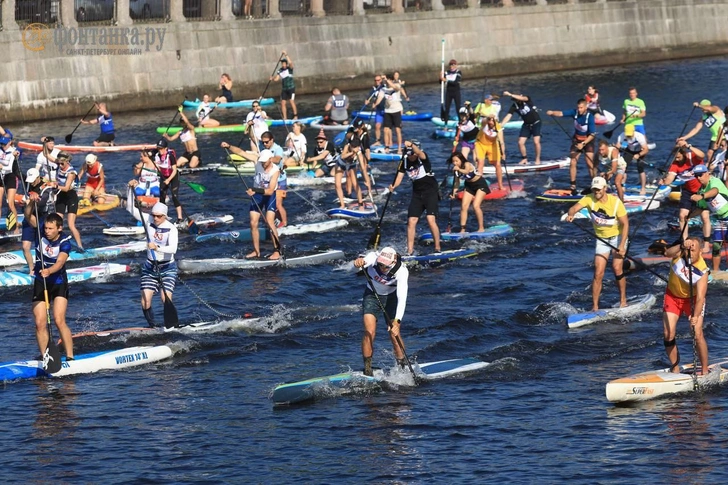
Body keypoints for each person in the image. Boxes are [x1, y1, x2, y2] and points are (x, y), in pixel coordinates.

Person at [565, 176, 629, 311]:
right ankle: (595, 306)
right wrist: (571, 214)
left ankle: (623, 300)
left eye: (599, 189)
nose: (596, 192)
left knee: (617, 268)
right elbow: (573, 208)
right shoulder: (588, 198)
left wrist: (622, 245)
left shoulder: (615, 202)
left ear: (605, 188)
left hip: (618, 237)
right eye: (594, 189)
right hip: (602, 239)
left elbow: (626, 224)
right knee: (598, 272)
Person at [25, 205, 74, 362]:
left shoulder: (65, 242)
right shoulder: (40, 231)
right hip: (41, 281)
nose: (47, 231)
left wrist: (50, 271)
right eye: (46, 228)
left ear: (59, 228)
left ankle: (70, 357)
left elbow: (60, 262)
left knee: (58, 320)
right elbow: (27, 215)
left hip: (58, 282)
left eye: (51, 229)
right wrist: (31, 203)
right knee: (40, 323)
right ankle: (47, 357)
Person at [353, 247, 410, 376]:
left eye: (384, 265)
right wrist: (358, 263)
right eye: (379, 264)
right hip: (372, 296)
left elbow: (402, 298)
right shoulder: (373, 258)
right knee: (369, 332)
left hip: (391, 299)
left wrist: (397, 322)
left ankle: (402, 366)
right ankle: (368, 369)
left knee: (394, 335)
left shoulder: (401, 271)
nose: (381, 266)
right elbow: (360, 263)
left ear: (393, 262)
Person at [662, 237, 709, 375]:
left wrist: (695, 316)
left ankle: (704, 370)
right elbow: (667, 253)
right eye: (688, 250)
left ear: (700, 251)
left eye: (693, 250)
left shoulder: (702, 271)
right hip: (672, 296)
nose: (690, 253)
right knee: (668, 334)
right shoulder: (680, 253)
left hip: (692, 301)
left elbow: (700, 297)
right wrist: (681, 246)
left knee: (697, 333)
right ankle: (675, 367)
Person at [389, 140, 442, 255]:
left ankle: (437, 248)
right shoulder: (404, 163)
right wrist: (393, 186)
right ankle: (410, 251)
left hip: (431, 191)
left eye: (412, 153)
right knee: (411, 221)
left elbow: (418, 152)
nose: (411, 156)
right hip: (417, 193)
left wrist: (412, 145)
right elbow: (398, 178)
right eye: (409, 154)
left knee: (430, 219)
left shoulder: (422, 157)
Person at [659, 141, 710, 248]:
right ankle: (685, 240)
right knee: (682, 215)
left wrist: (688, 146)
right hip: (688, 191)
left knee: (705, 217)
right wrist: (664, 181)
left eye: (678, 157)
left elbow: (702, 155)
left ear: (684, 154)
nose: (676, 160)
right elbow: (670, 179)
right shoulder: (675, 165)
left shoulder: (692, 156)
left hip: (702, 189)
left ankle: (706, 244)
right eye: (675, 157)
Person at [140, 202, 179, 328]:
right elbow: (131, 208)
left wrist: (157, 247)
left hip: (167, 268)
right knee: (146, 300)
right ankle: (152, 326)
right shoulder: (149, 221)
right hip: (150, 267)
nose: (155, 218)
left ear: (165, 216)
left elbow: (173, 249)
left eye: (159, 216)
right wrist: (130, 189)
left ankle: (172, 325)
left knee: (164, 298)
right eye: (154, 215)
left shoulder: (172, 228)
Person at [546, 99, 597, 195]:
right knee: (573, 161)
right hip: (577, 140)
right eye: (578, 107)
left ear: (586, 107)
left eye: (581, 108)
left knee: (590, 164)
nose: (579, 109)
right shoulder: (574, 112)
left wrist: (583, 144)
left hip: (588, 140)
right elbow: (561, 113)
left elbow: (592, 135)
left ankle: (595, 184)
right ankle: (573, 186)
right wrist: (552, 112)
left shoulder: (590, 117)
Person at [245, 149, 281, 260]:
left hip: (269, 196)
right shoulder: (258, 162)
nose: (263, 163)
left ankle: (277, 251)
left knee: (270, 221)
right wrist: (229, 146)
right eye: (262, 161)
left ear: (270, 160)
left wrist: (254, 190)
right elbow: (241, 152)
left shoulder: (275, 170)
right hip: (257, 195)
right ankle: (256, 251)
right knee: (253, 222)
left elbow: (270, 190)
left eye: (265, 161)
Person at [692, 164, 728, 272]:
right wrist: (688, 216)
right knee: (716, 246)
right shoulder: (701, 190)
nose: (698, 178)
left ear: (707, 173)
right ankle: (716, 271)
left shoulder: (714, 181)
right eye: (696, 176)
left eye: (701, 175)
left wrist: (701, 196)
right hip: (721, 219)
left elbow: (715, 191)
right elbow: (701, 208)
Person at [22, 168, 57, 271]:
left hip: (42, 216)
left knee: (40, 245)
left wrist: (30, 201)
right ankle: (31, 269)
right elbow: (16, 172)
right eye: (30, 180)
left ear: (38, 178)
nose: (31, 183)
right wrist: (15, 159)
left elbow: (41, 203)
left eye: (33, 180)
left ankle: (43, 266)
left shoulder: (46, 187)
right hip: (29, 216)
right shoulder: (28, 183)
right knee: (25, 246)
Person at [449, 151, 491, 235]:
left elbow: (467, 171)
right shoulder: (456, 170)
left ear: (461, 160)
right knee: (464, 207)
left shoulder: (467, 164)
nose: (455, 163)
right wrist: (453, 192)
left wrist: (459, 169)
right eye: (453, 161)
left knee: (476, 205)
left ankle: (481, 228)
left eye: (456, 161)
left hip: (480, 184)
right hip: (469, 186)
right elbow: (456, 183)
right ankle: (463, 229)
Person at [501, 91, 542, 165]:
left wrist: (510, 94)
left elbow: (523, 98)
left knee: (536, 142)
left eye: (516, 99)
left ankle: (537, 159)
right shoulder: (514, 106)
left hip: (536, 123)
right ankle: (524, 158)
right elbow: (508, 116)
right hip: (526, 124)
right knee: (520, 142)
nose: (516, 101)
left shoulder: (527, 99)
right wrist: (501, 125)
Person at [54, 152, 84, 250]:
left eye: (62, 164)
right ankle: (55, 244)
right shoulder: (59, 164)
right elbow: (47, 155)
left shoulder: (71, 173)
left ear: (67, 162)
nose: (60, 165)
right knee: (57, 222)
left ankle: (80, 246)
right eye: (59, 163)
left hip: (71, 197)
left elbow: (66, 188)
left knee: (71, 225)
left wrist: (54, 186)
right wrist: (45, 144)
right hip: (61, 196)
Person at [151, 139, 184, 223]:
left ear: (166, 148)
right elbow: (151, 157)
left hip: (173, 177)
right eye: (159, 149)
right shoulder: (157, 155)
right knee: (162, 196)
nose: (160, 150)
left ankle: (180, 218)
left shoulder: (170, 156)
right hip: (163, 177)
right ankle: (163, 217)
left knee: (175, 197)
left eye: (161, 148)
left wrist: (168, 180)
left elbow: (174, 170)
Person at [335, 132, 366, 209]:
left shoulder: (359, 152)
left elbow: (362, 166)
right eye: (352, 146)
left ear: (358, 147)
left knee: (355, 184)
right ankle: (342, 205)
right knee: (337, 185)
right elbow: (342, 156)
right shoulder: (347, 146)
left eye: (354, 147)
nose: (353, 148)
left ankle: (360, 203)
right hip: (341, 164)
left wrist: (365, 178)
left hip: (352, 165)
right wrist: (352, 152)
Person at [616, 124, 650, 195]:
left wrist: (639, 155)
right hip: (629, 150)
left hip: (640, 151)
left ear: (633, 131)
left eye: (630, 134)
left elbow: (646, 149)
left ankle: (643, 188)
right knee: (623, 167)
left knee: (640, 168)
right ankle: (622, 186)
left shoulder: (639, 136)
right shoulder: (621, 136)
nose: (628, 136)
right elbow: (617, 147)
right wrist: (617, 148)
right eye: (627, 135)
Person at [474, 116, 504, 188]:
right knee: (480, 163)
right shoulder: (485, 124)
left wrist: (503, 153)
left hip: (492, 145)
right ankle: (479, 185)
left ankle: (500, 185)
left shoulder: (498, 128)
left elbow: (501, 142)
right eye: (489, 121)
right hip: (480, 144)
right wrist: (488, 118)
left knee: (498, 164)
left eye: (492, 121)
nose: (490, 122)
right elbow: (484, 121)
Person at [378, 75, 404, 153]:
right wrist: (375, 104)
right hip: (387, 111)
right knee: (386, 130)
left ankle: (399, 148)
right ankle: (387, 147)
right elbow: (379, 98)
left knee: (397, 130)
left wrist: (387, 80)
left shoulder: (397, 85)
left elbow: (395, 87)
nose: (386, 81)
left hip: (396, 110)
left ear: (391, 80)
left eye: (388, 80)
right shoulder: (383, 89)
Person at [0, 134, 20, 232]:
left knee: (10, 203)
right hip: (1, 176)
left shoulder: (13, 152)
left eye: (4, 144)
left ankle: (15, 227)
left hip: (10, 177)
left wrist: (1, 167)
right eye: (1, 144)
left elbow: (10, 168)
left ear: (9, 143)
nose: (2, 146)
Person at [271, 52, 298, 120]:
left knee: (291, 101)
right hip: (284, 89)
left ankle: (295, 115)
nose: (283, 64)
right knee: (283, 103)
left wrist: (286, 55)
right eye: (282, 63)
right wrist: (272, 78)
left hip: (291, 88)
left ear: (286, 64)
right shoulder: (280, 70)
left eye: (284, 63)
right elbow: (277, 79)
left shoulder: (290, 69)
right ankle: (285, 117)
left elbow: (291, 63)